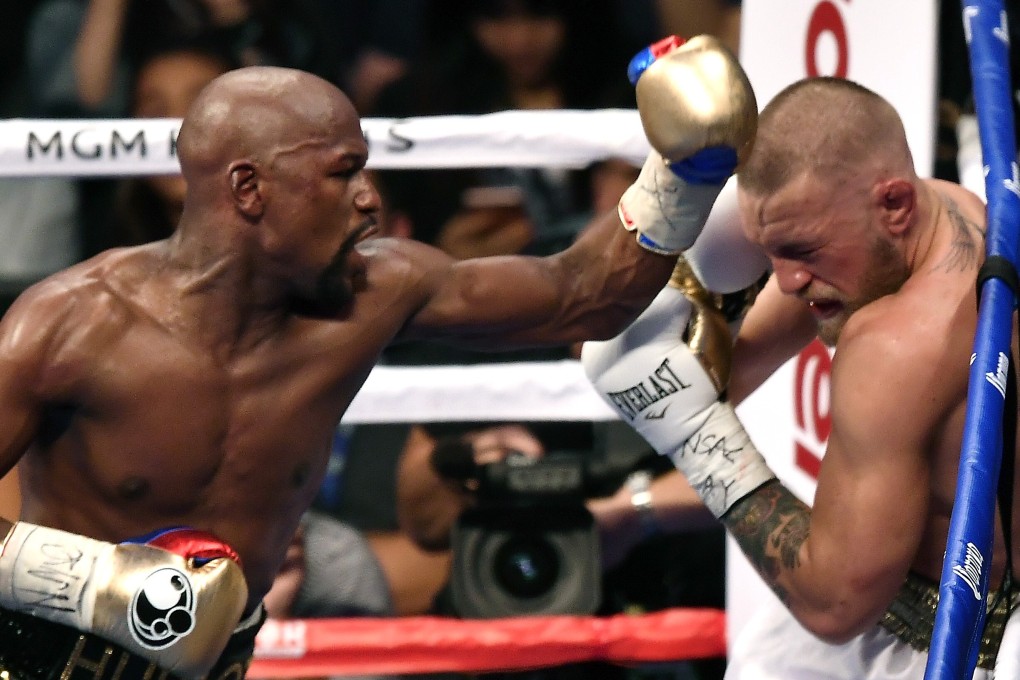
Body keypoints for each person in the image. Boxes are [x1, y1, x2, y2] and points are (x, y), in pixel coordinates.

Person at [0, 33, 757, 680]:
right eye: (341, 172)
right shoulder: (72, 327)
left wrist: (681, 172)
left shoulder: (374, 293)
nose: (369, 197)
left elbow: (580, 296)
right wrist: (93, 583)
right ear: (248, 189)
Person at [582, 76, 1020, 678]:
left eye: (801, 250)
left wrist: (696, 438)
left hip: (959, 639)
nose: (785, 282)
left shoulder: (895, 348)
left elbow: (834, 602)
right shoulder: (930, 211)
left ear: (894, 204)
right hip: (903, 602)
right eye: (770, 252)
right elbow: (721, 380)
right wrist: (703, 315)